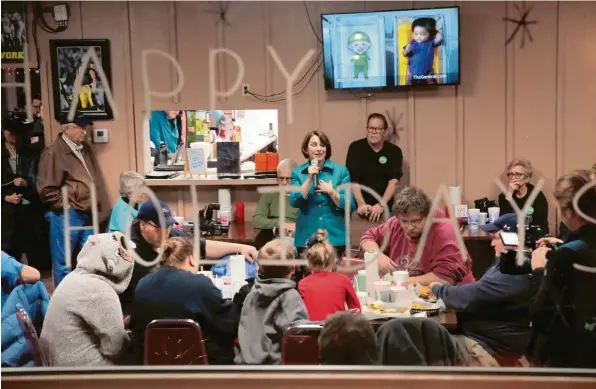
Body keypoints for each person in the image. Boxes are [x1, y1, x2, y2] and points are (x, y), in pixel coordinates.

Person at [430, 213, 534, 366]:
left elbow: (467, 296)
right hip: (484, 339)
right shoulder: (508, 262)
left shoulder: (512, 275)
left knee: (427, 343)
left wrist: (437, 288)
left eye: (497, 238)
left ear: (514, 241)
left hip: (489, 348)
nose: (492, 244)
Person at [120, 200, 257, 315]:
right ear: (143, 225)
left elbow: (201, 246)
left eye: (168, 225)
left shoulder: (170, 234)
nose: (165, 232)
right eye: (159, 227)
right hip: (146, 311)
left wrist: (241, 248)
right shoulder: (130, 249)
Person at [129, 237, 239, 365]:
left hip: (152, 363)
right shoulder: (200, 284)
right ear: (191, 260)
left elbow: (136, 324)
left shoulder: (143, 283)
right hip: (199, 364)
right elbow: (230, 323)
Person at [528, 170, 596, 368]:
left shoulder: (565, 257)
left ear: (568, 211)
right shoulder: (572, 250)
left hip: (572, 361)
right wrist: (562, 245)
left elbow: (541, 315)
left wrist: (539, 270)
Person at [40, 233, 134, 366]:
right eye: (123, 252)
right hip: (78, 375)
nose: (130, 256)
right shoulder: (100, 290)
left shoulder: (73, 277)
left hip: (58, 365)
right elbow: (116, 349)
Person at [37, 113, 102, 287]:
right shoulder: (52, 152)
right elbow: (46, 190)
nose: (85, 131)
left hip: (86, 211)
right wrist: (66, 206)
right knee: (63, 262)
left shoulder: (84, 148)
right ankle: (63, 306)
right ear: (67, 129)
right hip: (68, 213)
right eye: (81, 127)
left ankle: (86, 298)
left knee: (90, 259)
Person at [360, 186, 474, 284]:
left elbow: (445, 278)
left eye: (416, 221)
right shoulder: (395, 224)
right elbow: (368, 237)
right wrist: (376, 255)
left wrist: (401, 281)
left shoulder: (445, 230)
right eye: (404, 221)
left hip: (453, 300)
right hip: (410, 295)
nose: (409, 227)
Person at [235, 239, 308, 365]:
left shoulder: (251, 292)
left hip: (245, 367)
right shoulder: (289, 296)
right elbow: (300, 334)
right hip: (273, 371)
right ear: (293, 269)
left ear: (258, 269)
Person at [290, 130, 355, 260]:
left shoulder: (341, 172)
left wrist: (332, 192)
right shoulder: (298, 173)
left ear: (327, 149)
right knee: (309, 279)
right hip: (306, 238)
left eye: (322, 145)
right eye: (314, 145)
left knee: (335, 279)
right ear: (306, 149)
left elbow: (350, 205)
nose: (318, 149)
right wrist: (309, 180)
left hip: (336, 238)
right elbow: (294, 201)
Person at [1, 115, 48, 269]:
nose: (13, 137)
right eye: (10, 133)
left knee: (33, 250)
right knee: (9, 253)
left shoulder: (28, 150)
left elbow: (39, 179)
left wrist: (26, 182)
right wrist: (5, 197)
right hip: (6, 214)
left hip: (28, 209)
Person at [346, 113, 403, 223]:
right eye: (371, 128)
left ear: (385, 131)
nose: (373, 132)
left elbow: (393, 182)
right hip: (360, 208)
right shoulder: (355, 148)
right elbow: (353, 181)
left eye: (377, 129)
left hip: (385, 208)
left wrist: (381, 205)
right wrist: (362, 204)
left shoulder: (394, 151)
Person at [298, 229, 360, 321]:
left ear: (308, 263)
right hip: (336, 331)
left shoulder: (302, 284)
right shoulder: (343, 280)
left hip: (309, 332)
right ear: (334, 261)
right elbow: (357, 311)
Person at [252, 158, 299, 248]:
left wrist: (292, 231)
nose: (284, 183)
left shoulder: (303, 195)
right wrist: (281, 224)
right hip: (272, 235)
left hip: (295, 237)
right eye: (281, 179)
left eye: (288, 179)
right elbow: (256, 220)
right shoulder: (269, 194)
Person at [498, 158, 549, 233]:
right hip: (511, 237)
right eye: (510, 174)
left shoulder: (537, 196)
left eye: (518, 174)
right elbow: (504, 222)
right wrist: (509, 194)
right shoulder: (504, 196)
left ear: (527, 178)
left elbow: (542, 226)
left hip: (532, 237)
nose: (513, 178)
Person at [403, 17, 443, 85]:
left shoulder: (430, 43)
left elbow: (440, 38)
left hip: (427, 71)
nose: (418, 36)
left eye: (423, 34)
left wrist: (434, 31)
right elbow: (404, 54)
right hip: (412, 71)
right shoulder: (412, 43)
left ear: (429, 34)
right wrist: (406, 50)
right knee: (408, 82)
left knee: (431, 82)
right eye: (416, 34)